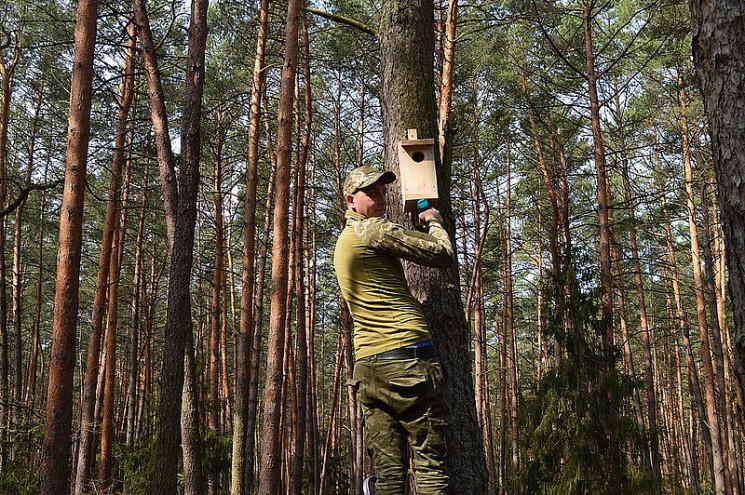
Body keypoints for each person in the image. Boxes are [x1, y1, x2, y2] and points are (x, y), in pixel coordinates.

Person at [334, 165, 454, 495]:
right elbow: (442, 253)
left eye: (383, 191)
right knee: (430, 464)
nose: (381, 197)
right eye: (371, 193)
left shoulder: (344, 241)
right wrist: (433, 221)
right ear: (350, 200)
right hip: (408, 361)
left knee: (388, 476)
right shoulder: (371, 230)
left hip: (368, 370)